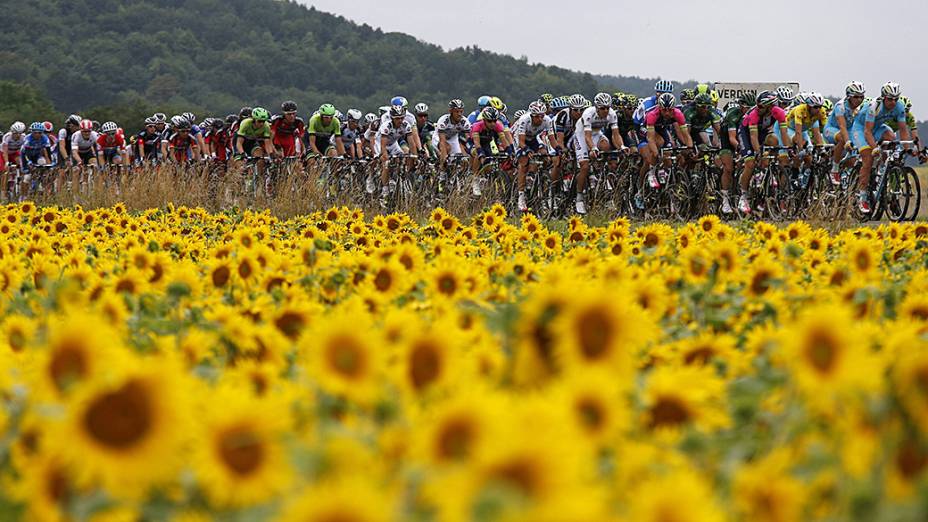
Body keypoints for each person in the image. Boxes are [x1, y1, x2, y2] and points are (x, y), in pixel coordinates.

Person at [850, 82, 913, 213]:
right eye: (890, 99)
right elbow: (867, 132)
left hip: (878, 128)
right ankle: (862, 198)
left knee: (891, 137)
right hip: (861, 129)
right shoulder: (874, 106)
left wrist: (907, 148)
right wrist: (875, 148)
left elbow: (903, 129)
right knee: (868, 157)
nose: (893, 102)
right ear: (884, 97)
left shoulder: (899, 107)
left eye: (896, 98)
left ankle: (882, 171)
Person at [737, 91, 790, 214]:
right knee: (750, 164)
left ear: (770, 107)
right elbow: (753, 138)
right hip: (746, 133)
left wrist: (787, 149)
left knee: (774, 141)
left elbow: (784, 134)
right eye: (758, 105)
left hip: (763, 132)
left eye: (761, 106)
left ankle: (766, 173)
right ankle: (743, 196)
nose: (758, 108)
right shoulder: (754, 114)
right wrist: (758, 154)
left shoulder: (779, 112)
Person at [574, 92, 624, 215]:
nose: (606, 111)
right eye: (602, 108)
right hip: (582, 134)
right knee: (584, 166)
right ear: (596, 107)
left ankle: (599, 177)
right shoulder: (588, 114)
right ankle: (579, 197)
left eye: (608, 107)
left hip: (597, 134)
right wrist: (593, 148)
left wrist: (622, 146)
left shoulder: (612, 114)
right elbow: (587, 137)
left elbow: (615, 135)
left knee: (606, 147)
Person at [513, 101, 556, 212]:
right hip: (519, 139)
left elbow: (552, 140)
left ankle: (535, 177)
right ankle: (521, 196)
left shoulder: (547, 120)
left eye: (542, 116)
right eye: (537, 116)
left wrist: (559, 150)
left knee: (543, 155)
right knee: (524, 161)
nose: (540, 119)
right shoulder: (524, 120)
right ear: (532, 115)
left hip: (533, 138)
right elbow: (521, 142)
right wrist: (526, 150)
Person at [718, 93, 755, 213]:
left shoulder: (752, 115)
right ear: (741, 106)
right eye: (746, 108)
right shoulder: (733, 114)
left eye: (751, 108)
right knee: (728, 168)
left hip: (743, 135)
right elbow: (732, 138)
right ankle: (725, 199)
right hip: (727, 137)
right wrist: (740, 148)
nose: (748, 111)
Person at [823, 81, 866, 184]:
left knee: (852, 160)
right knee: (843, 138)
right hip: (832, 129)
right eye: (856, 97)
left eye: (861, 97)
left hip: (849, 130)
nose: (859, 100)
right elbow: (842, 126)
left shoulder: (862, 107)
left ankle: (846, 175)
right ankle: (835, 169)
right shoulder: (840, 106)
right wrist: (847, 141)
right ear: (849, 96)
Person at [378, 104, 418, 202]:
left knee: (404, 157)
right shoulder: (386, 126)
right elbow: (383, 146)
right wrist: (385, 157)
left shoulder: (405, 125)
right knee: (386, 164)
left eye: (401, 118)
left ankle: (400, 177)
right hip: (380, 143)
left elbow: (411, 143)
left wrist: (414, 156)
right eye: (397, 119)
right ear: (392, 118)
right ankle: (385, 190)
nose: (400, 121)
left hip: (393, 144)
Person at [433, 99, 471, 165]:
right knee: (447, 148)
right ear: (451, 111)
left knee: (460, 160)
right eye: (456, 111)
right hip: (439, 138)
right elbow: (442, 141)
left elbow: (468, 138)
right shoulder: (443, 120)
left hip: (453, 139)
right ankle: (441, 170)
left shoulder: (465, 121)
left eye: (461, 111)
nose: (459, 114)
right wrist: (444, 158)